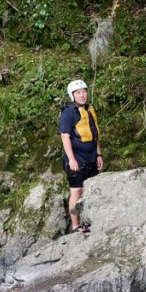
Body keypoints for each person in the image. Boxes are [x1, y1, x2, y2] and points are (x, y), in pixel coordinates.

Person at [58, 79, 102, 234]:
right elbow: (65, 136)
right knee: (76, 191)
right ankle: (75, 226)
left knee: (89, 189)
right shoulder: (69, 112)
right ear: (72, 95)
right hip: (76, 159)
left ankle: (87, 221)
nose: (82, 95)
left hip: (90, 158)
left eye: (84, 91)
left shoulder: (90, 109)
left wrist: (98, 154)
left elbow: (94, 134)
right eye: (78, 93)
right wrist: (71, 159)